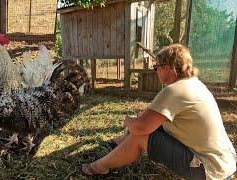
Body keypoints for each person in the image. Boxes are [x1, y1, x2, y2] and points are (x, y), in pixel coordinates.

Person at [81, 44, 236, 179]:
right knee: (150, 125)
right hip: (223, 163)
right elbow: (153, 118)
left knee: (141, 135)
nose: (155, 71)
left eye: (156, 68)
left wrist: (128, 121)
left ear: (167, 68)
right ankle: (114, 145)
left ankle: (97, 167)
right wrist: (141, 119)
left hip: (209, 171)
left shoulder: (174, 90)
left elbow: (140, 128)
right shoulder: (194, 84)